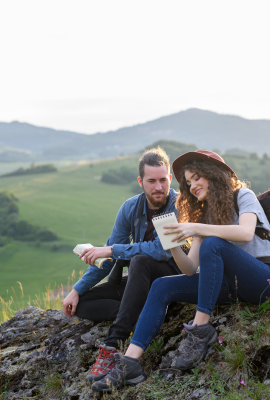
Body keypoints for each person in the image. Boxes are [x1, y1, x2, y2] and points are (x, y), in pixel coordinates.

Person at [91, 150, 270, 392]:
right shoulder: (204, 216)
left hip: (267, 279)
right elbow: (191, 268)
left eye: (197, 178)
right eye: (189, 182)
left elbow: (246, 232)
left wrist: (196, 227)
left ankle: (200, 330)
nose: (193, 186)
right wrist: (173, 246)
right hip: (232, 286)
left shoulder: (242, 196)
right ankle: (130, 363)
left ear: (214, 175)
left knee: (214, 244)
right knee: (161, 285)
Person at [61, 147, 181, 384]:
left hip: (172, 277)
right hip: (140, 280)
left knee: (141, 259)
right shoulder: (130, 208)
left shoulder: (179, 205)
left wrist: (112, 250)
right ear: (140, 181)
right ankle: (138, 315)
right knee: (82, 304)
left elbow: (160, 250)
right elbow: (107, 260)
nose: (158, 187)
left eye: (163, 180)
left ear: (170, 178)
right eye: (151, 181)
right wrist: (76, 290)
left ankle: (113, 344)